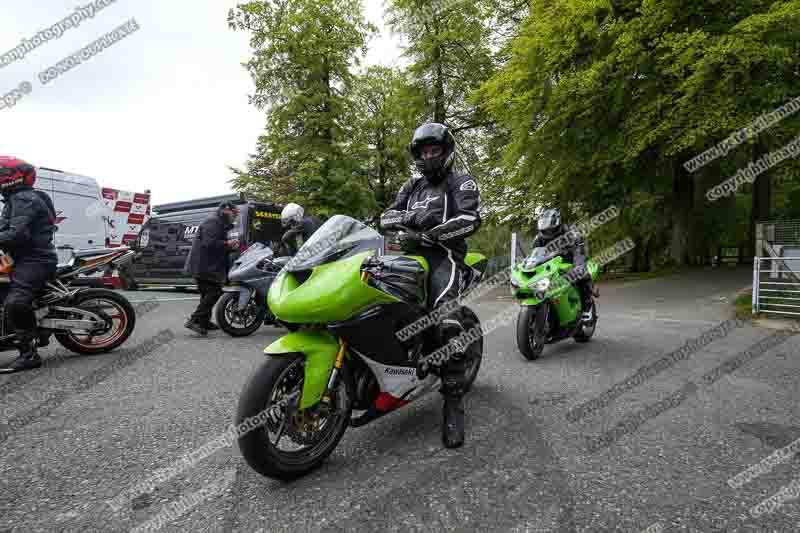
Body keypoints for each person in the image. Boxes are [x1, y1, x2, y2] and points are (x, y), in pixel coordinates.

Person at [379, 122, 481, 449]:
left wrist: (431, 231)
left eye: (435, 150)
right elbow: (385, 217)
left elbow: (470, 219)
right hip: (404, 253)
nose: (429, 156)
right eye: (424, 151)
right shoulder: (411, 185)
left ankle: (453, 405)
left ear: (446, 151)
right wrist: (408, 222)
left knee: (448, 320)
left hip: (444, 256)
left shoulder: (461, 180)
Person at [0, 157, 58, 373]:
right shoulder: (15, 199)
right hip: (23, 257)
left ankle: (29, 354)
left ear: (14, 178)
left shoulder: (24, 199)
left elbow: (16, 235)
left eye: (3, 174)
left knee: (15, 302)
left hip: (35, 259)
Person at [184, 201, 240, 335]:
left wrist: (229, 246)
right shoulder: (213, 222)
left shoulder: (219, 222)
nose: (236, 216)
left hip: (205, 265)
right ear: (227, 210)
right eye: (235, 213)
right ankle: (194, 320)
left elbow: (215, 245)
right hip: (204, 265)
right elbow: (210, 243)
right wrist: (228, 244)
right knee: (214, 292)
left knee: (206, 294)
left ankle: (204, 322)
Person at [531, 208, 594, 324]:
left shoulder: (571, 234)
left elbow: (579, 252)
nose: (547, 233)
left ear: (557, 224)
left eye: (550, 230)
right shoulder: (539, 239)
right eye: (545, 230)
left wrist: (578, 265)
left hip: (569, 261)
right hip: (550, 265)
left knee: (582, 273)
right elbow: (534, 256)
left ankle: (587, 308)